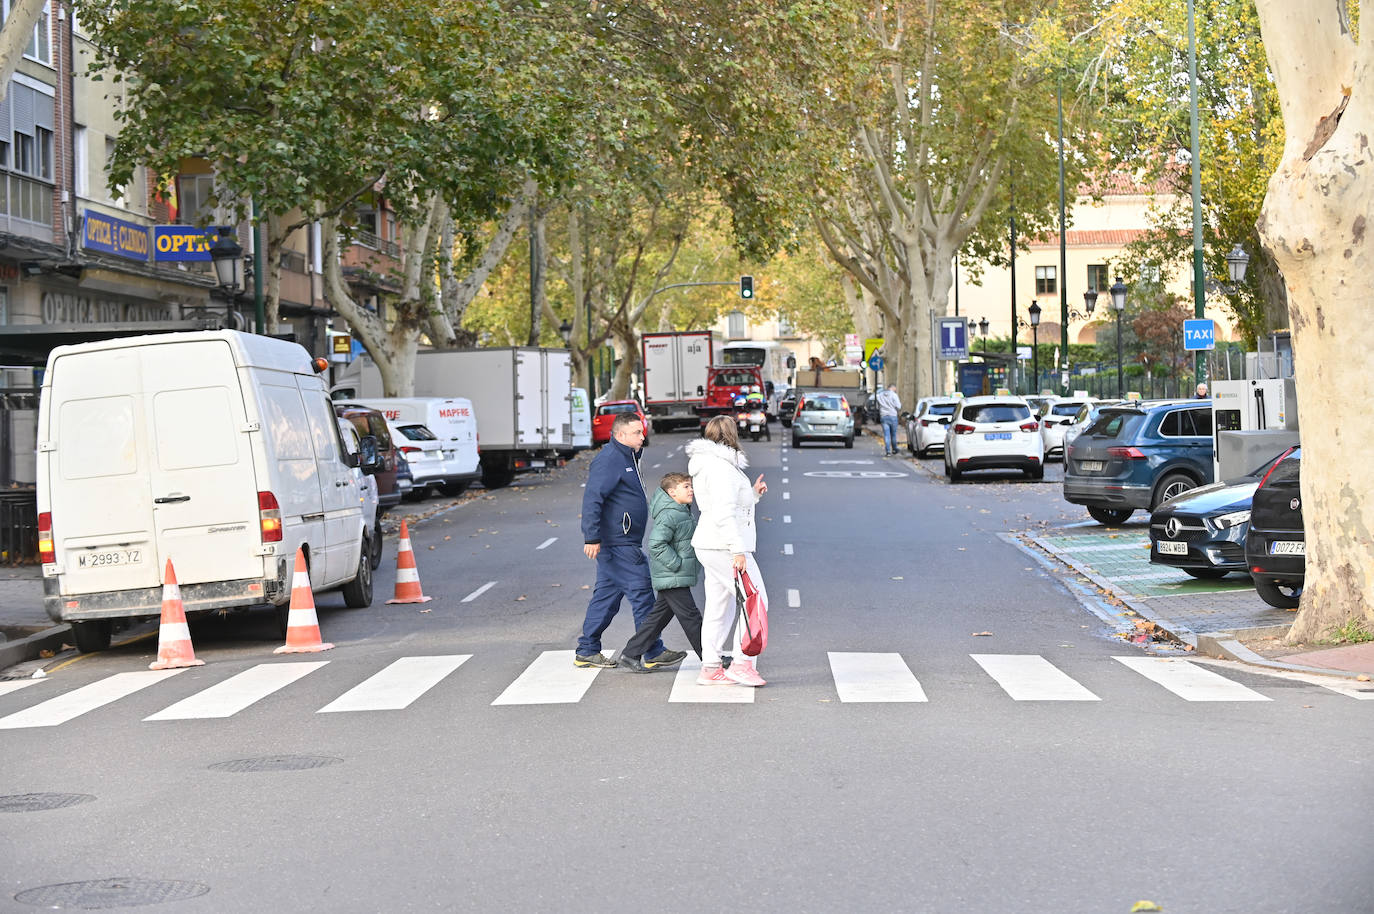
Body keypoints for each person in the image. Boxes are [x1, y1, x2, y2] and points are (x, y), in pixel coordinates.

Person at [576, 412, 687, 670]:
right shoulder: (610, 459)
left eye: (642, 431)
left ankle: (586, 650)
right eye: (637, 432)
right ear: (620, 435)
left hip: (621, 541)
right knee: (642, 593)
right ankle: (651, 650)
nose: (642, 436)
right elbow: (593, 498)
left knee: (606, 598)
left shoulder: (626, 456)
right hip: (617, 542)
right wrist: (591, 536)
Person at [686, 415, 769, 687]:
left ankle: (710, 667)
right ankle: (741, 663)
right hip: (724, 545)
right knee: (755, 600)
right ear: (731, 435)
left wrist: (753, 495)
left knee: (720, 606)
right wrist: (738, 549)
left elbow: (726, 505)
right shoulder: (722, 468)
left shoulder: (709, 464)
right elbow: (723, 513)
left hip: (710, 543)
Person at [619, 473, 705, 673]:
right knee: (691, 617)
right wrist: (677, 564)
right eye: (686, 486)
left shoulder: (680, 510)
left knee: (657, 618)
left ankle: (630, 654)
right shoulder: (670, 514)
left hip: (674, 574)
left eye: (690, 486)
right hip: (672, 575)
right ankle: (711, 658)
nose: (691, 489)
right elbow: (656, 544)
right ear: (672, 492)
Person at [877, 383, 902, 456]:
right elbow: (899, 406)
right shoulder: (894, 395)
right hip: (893, 416)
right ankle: (894, 449)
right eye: (895, 389)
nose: (896, 390)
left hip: (884, 416)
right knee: (893, 434)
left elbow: (878, 406)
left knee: (886, 434)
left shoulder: (880, 395)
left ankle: (888, 451)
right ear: (893, 388)